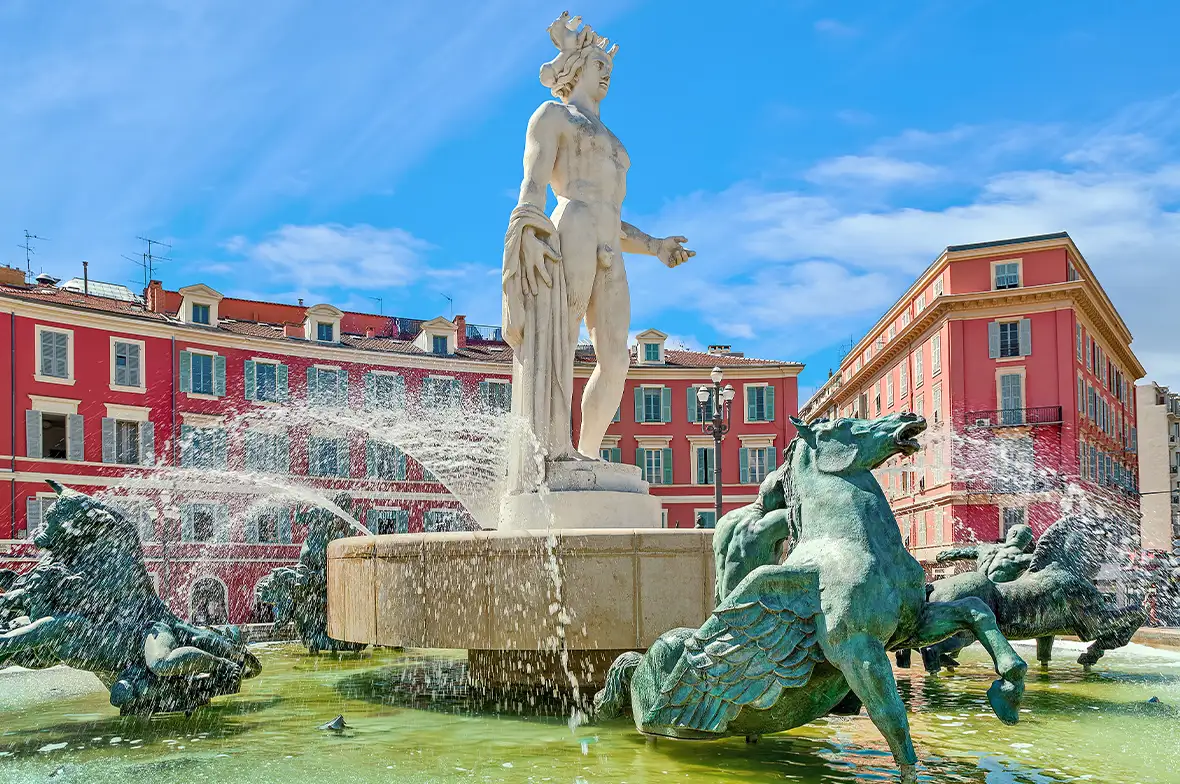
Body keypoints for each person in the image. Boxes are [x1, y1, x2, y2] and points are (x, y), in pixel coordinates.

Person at [503, 12, 693, 492]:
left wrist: (655, 246)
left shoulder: (614, 142)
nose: (606, 73)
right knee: (561, 339)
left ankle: (585, 453)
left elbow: (612, 212)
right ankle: (552, 449)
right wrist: (526, 232)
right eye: (597, 63)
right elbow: (534, 185)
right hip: (575, 228)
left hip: (611, 240)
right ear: (574, 67)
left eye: (610, 66)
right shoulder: (553, 116)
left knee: (616, 360)